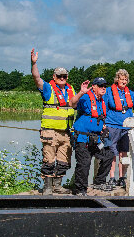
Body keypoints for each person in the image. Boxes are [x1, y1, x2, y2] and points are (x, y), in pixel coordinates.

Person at [30, 48, 89, 195]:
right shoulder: (48, 88)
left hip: (66, 132)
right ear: (54, 76)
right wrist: (33, 64)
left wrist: (81, 92)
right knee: (49, 160)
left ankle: (57, 186)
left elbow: (74, 103)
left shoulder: (70, 89)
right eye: (59, 76)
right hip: (50, 132)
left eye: (64, 76)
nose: (62, 78)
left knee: (64, 161)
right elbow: (36, 78)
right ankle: (48, 188)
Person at [104, 69, 134, 188]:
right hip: (112, 126)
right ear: (117, 79)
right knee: (111, 152)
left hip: (126, 127)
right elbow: (103, 108)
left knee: (123, 153)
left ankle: (121, 177)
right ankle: (111, 178)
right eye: (121, 79)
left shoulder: (130, 94)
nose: (124, 81)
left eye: (125, 79)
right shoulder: (108, 92)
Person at [72, 77, 114, 196]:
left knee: (108, 155)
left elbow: (99, 118)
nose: (103, 88)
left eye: (105, 86)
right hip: (83, 139)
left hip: (96, 140)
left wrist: (103, 127)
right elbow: (72, 103)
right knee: (84, 163)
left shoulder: (102, 100)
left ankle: (99, 182)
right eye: (100, 86)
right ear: (94, 86)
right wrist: (81, 92)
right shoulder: (85, 97)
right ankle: (80, 190)